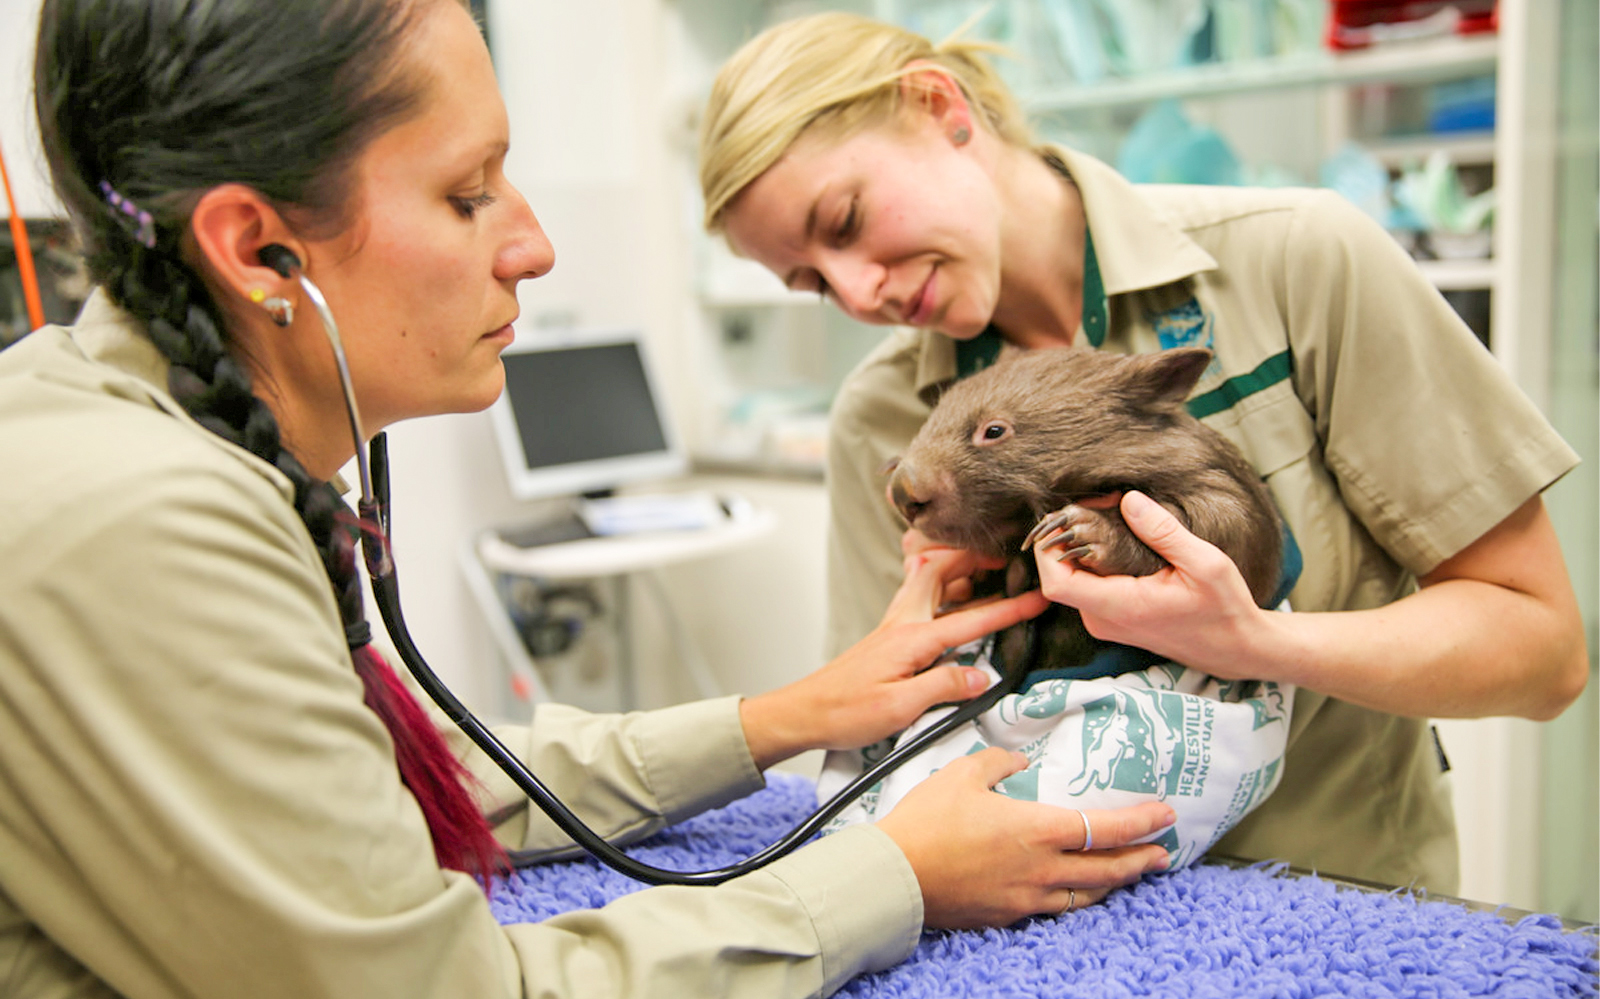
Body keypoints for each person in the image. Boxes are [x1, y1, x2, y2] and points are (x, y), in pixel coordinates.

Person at [0, 2, 1183, 997]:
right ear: (259, 253)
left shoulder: (155, 442)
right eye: (469, 192)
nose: (535, 246)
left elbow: (382, 789)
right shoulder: (139, 522)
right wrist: (894, 876)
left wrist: (782, 719)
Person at [698, 11, 1589, 897]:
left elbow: (1543, 652)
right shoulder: (882, 415)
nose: (859, 292)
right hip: (1047, 920)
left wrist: (1260, 642)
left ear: (940, 107)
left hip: (1338, 897)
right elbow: (886, 717)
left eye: (845, 220)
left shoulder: (1292, 263)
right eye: (812, 283)